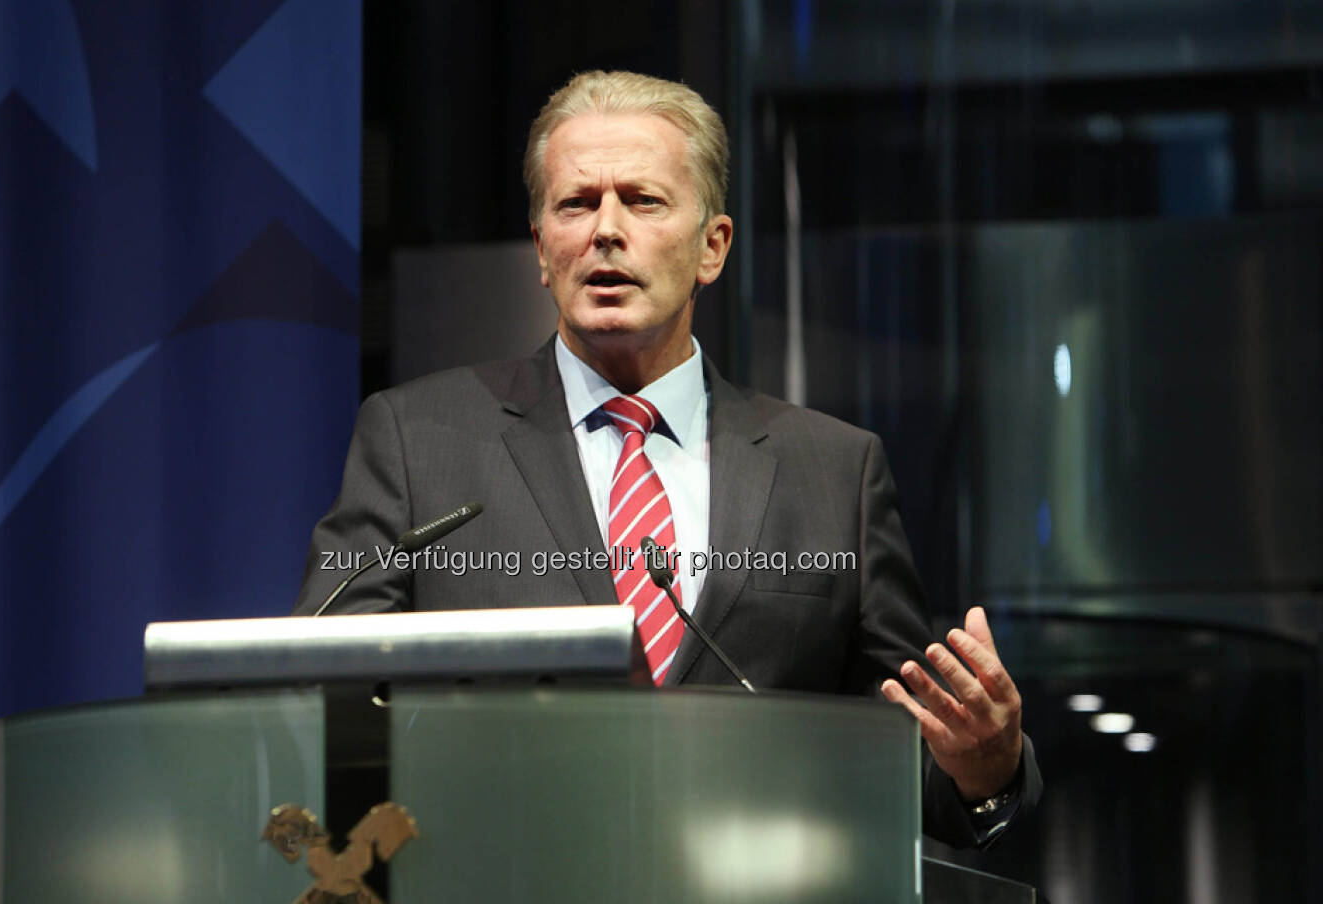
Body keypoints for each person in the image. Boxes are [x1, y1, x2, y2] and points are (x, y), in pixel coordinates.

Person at [293, 70, 1040, 847]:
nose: (605, 230)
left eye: (643, 200)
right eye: (576, 204)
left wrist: (982, 764)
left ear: (712, 246)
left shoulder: (835, 471)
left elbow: (904, 748)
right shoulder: (419, 442)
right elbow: (324, 697)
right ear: (542, 248)